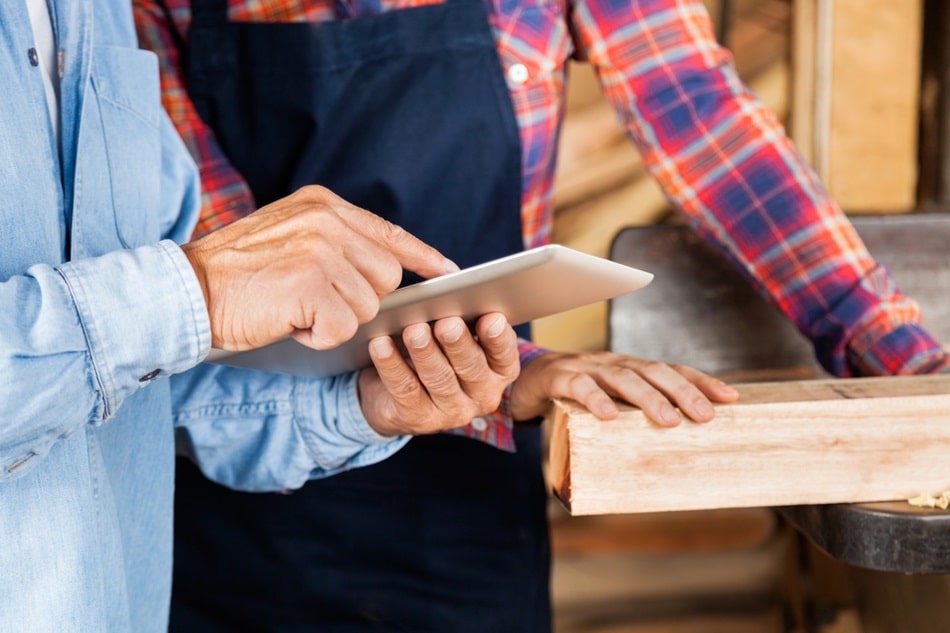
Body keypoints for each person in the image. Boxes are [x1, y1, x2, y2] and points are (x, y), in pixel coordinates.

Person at [133, 0, 950, 631]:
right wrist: (515, 368)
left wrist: (905, 357)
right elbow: (222, 263)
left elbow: (704, 121)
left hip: (462, 517)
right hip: (223, 496)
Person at [0, 1, 568, 630]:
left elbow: (151, 379)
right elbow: (182, 304)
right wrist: (196, 291)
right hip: (227, 550)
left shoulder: (95, 14)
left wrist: (360, 401)